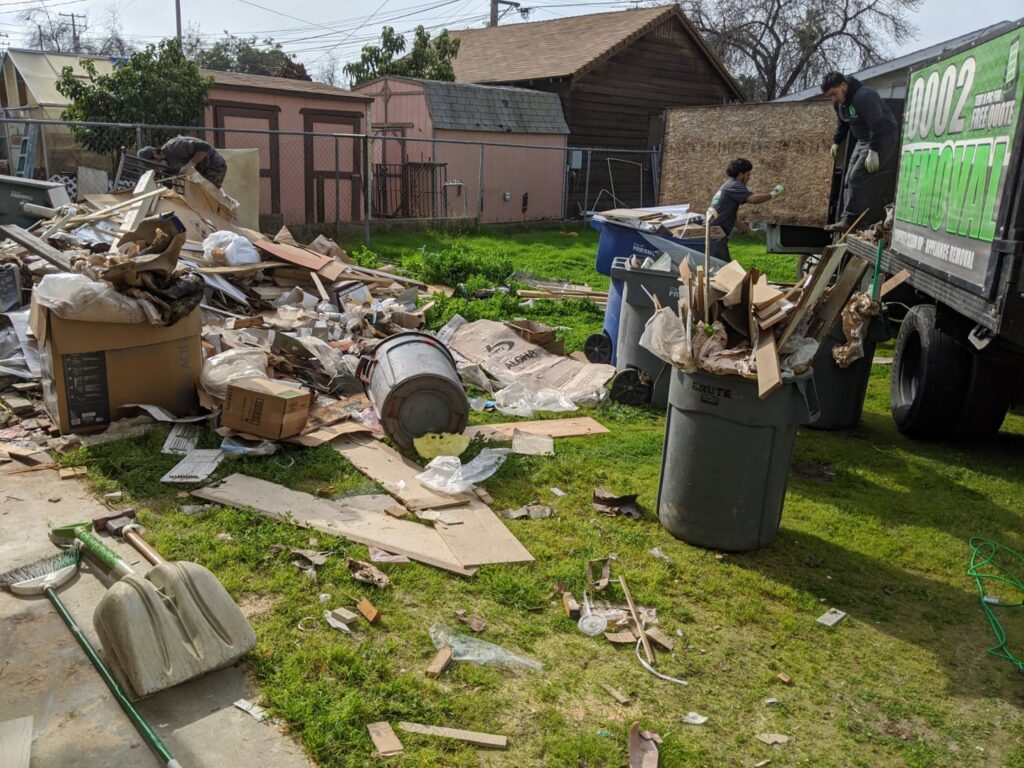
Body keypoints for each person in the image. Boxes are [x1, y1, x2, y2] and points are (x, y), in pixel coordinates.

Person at [821, 71, 899, 231]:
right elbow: (842, 124)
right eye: (830, 95)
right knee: (848, 179)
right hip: (862, 140)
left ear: (844, 85)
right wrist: (836, 141)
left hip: (882, 136)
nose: (834, 98)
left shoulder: (864, 96)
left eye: (834, 94)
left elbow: (878, 123)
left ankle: (853, 220)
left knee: (857, 176)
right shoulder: (838, 104)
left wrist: (874, 150)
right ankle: (846, 218)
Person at [706, 158, 784, 262]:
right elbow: (753, 199)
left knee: (722, 268)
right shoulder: (734, 185)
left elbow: (732, 219)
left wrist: (750, 232)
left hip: (714, 234)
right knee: (723, 269)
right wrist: (773, 194)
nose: (749, 178)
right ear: (740, 175)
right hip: (716, 236)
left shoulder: (728, 185)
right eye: (748, 175)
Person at [138, 136, 229, 188]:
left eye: (152, 165)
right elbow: (169, 186)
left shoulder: (175, 147)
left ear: (156, 155)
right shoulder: (167, 167)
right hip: (199, 171)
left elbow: (204, 148)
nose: (154, 168)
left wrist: (189, 165)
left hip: (214, 165)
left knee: (208, 191)